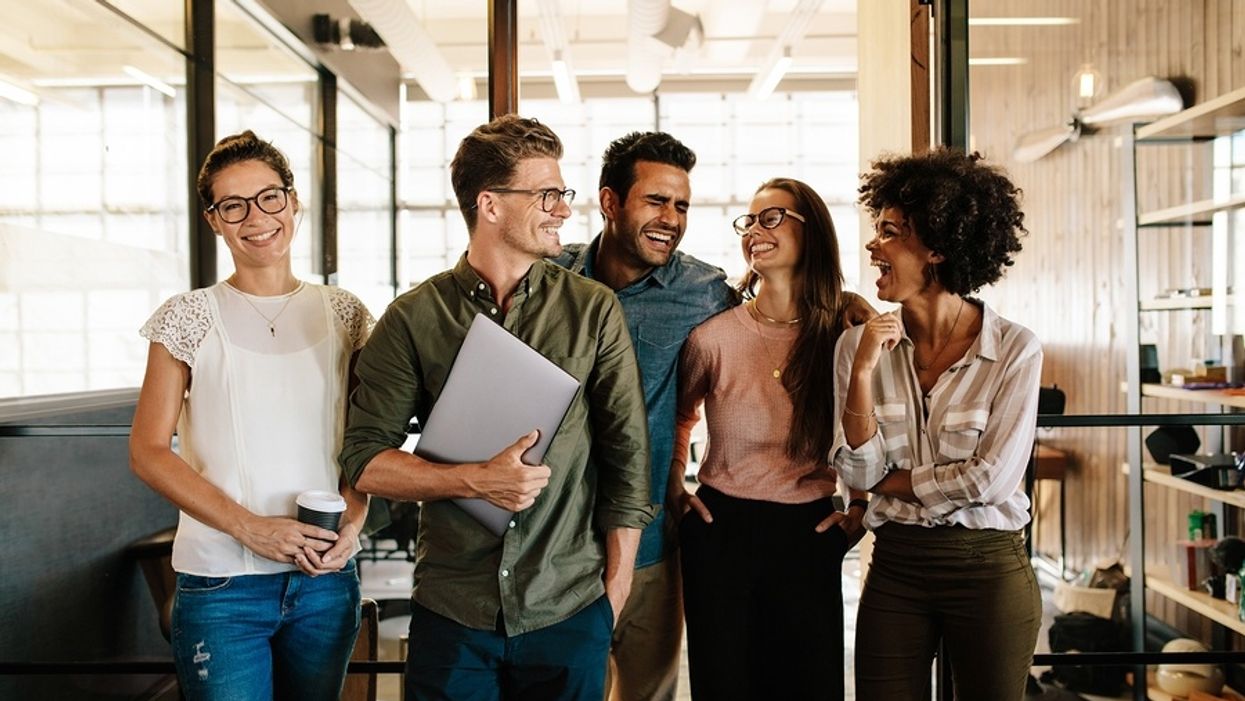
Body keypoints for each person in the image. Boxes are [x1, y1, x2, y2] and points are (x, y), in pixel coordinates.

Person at [338, 114, 654, 701]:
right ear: (490, 204)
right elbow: (364, 459)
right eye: (547, 194)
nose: (563, 209)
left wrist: (614, 590)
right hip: (454, 608)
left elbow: (628, 457)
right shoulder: (414, 318)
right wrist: (476, 480)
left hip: (569, 604)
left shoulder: (593, 310)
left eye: (563, 193)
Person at [130, 130, 372, 700]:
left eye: (269, 197)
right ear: (215, 220)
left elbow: (369, 441)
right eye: (232, 205)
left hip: (324, 581)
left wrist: (354, 523)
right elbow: (147, 451)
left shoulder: (346, 313)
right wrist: (250, 528)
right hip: (222, 585)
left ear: (293, 203)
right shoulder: (186, 317)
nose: (255, 217)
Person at [832, 147, 1042, 700]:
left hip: (989, 567)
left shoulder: (1015, 349)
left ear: (939, 248)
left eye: (890, 231)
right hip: (896, 565)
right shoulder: (858, 345)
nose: (874, 245)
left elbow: (990, 481)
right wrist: (861, 374)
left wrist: (889, 482)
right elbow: (856, 467)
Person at [551, 131, 737, 701]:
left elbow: (782, 322)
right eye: (656, 201)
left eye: (681, 205)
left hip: (653, 540)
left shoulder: (704, 292)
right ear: (610, 202)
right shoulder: (548, 278)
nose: (672, 218)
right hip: (554, 545)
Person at [672, 177, 870, 701]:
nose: (755, 230)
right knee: (724, 686)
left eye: (772, 217)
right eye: (749, 221)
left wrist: (861, 506)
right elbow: (678, 417)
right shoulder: (712, 337)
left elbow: (875, 430)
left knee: (810, 687)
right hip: (720, 529)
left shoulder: (844, 333)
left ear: (812, 232)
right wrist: (675, 488)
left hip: (807, 531)